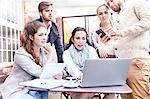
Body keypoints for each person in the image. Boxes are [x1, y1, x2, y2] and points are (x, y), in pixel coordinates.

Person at [0, 21, 64, 99]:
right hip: (17, 90)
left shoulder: (43, 52)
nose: (44, 38)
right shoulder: (21, 54)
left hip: (35, 88)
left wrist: (57, 72)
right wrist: (51, 52)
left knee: (44, 91)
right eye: (40, 35)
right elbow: (41, 74)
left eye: (45, 34)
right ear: (31, 37)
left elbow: (51, 69)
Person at [104, 0, 150, 98]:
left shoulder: (136, 3)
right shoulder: (118, 17)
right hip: (122, 64)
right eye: (108, 4)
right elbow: (119, 43)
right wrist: (105, 45)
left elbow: (147, 22)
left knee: (140, 96)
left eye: (111, 1)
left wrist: (120, 32)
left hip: (137, 60)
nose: (111, 5)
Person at [63, 27, 99, 99]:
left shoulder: (91, 50)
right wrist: (81, 76)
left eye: (83, 38)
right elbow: (71, 68)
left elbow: (96, 65)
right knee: (83, 94)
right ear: (72, 39)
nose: (81, 41)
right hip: (74, 84)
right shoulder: (66, 53)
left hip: (91, 83)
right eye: (78, 38)